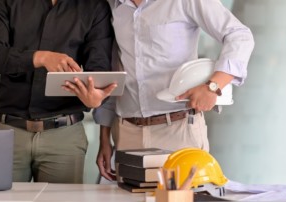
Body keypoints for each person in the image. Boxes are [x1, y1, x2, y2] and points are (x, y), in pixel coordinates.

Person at [66, 0, 255, 181]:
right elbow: (114, 71)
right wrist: (104, 137)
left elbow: (239, 35)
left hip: (178, 130)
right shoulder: (112, 6)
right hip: (127, 134)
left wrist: (213, 87)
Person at [0, 0, 116, 183]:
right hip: (8, 133)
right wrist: (40, 57)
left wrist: (94, 98)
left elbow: (99, 68)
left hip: (64, 137)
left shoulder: (94, 6)